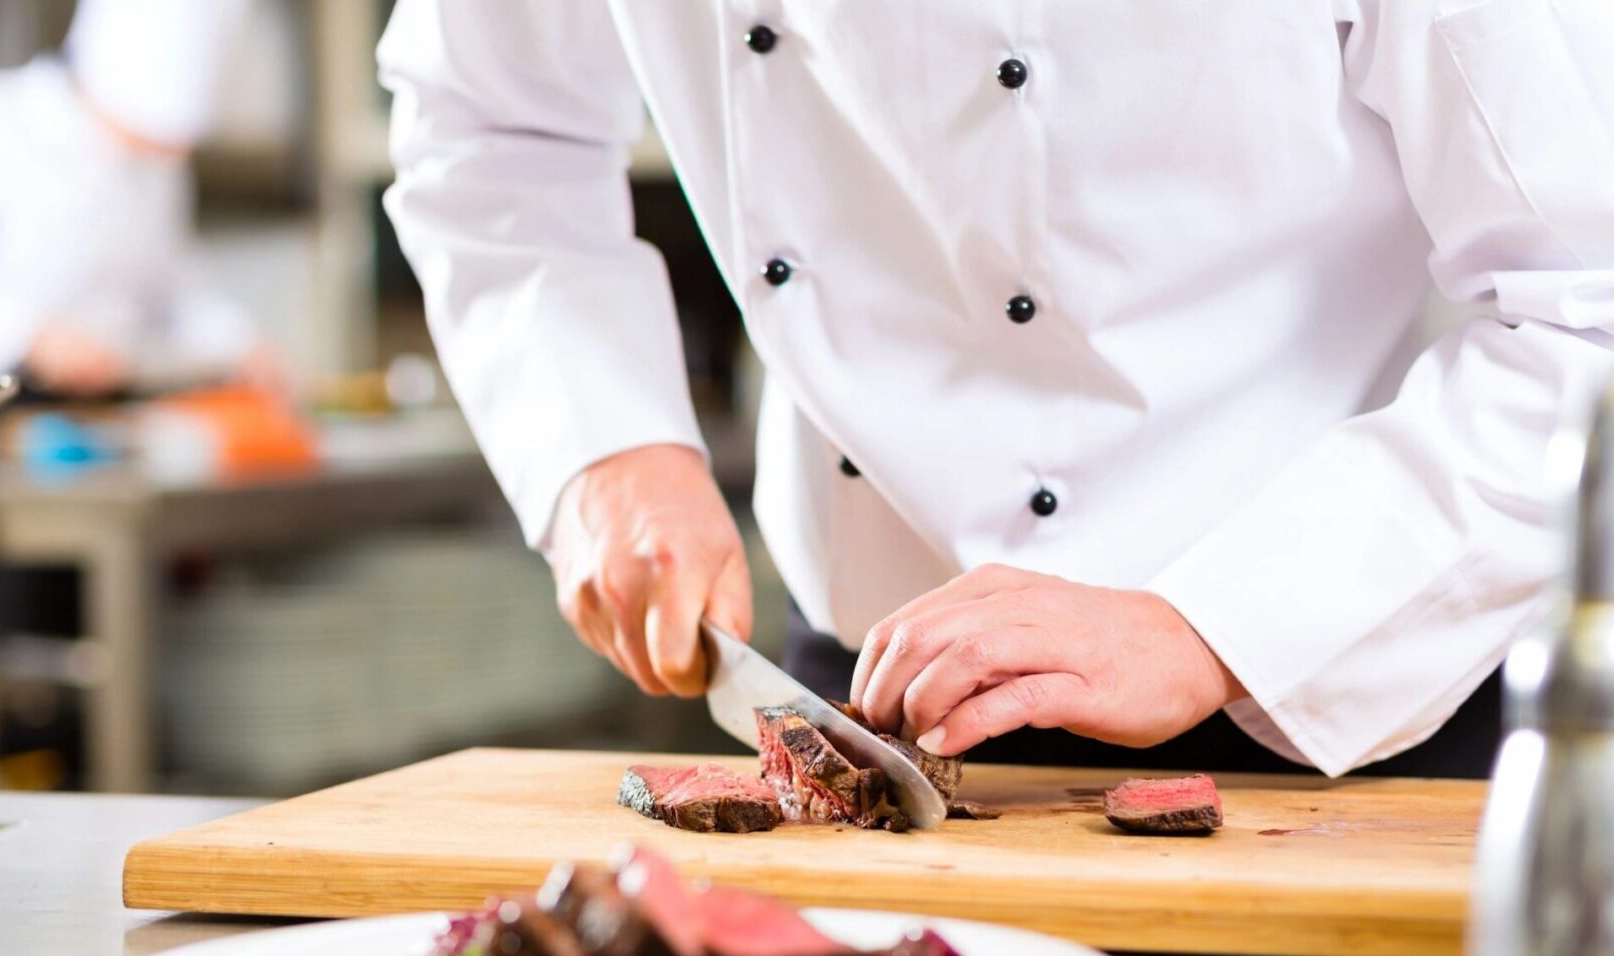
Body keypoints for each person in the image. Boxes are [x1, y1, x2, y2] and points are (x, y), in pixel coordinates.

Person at [378, 2, 1614, 778]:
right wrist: (602, 442)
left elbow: (1587, 305)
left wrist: (1214, 624)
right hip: (865, 690)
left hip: (1342, 673)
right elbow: (491, 130)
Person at [0, 0, 271, 401]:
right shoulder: (6, 122)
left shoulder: (157, 165)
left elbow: (172, 286)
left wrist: (238, 341)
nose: (173, 156)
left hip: (103, 409)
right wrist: (29, 335)